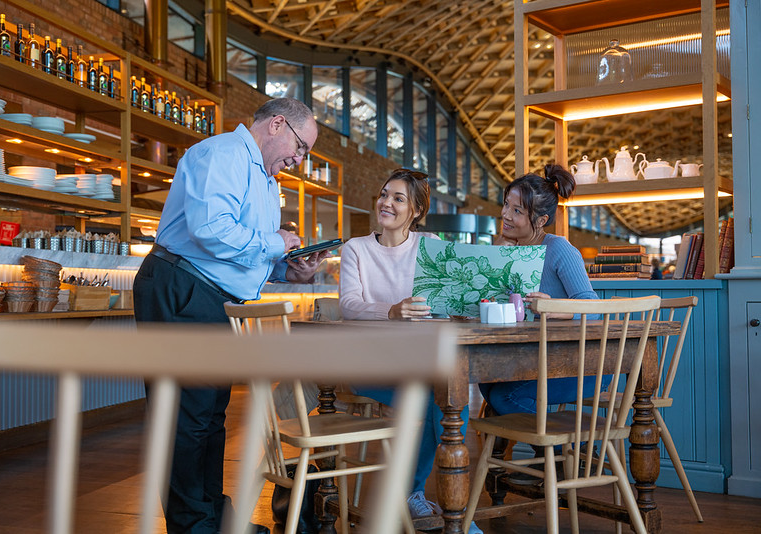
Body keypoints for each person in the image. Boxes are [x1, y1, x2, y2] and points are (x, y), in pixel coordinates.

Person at [133, 98, 329, 534]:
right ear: (277, 124)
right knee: (186, 417)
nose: (297, 160)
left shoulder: (263, 176)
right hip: (181, 286)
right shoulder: (222, 154)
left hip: (209, 293)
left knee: (209, 416)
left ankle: (212, 520)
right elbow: (212, 230)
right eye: (300, 148)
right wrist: (276, 244)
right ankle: (194, 526)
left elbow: (240, 251)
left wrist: (288, 268)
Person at [339, 168, 483, 534]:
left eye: (398, 198)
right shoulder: (355, 249)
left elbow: (448, 301)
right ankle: (416, 495)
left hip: (417, 361)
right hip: (369, 365)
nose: (386, 202)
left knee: (450, 396)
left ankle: (441, 504)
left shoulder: (429, 244)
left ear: (416, 211)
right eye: (384, 194)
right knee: (434, 398)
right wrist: (392, 309)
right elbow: (349, 305)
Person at [478, 164, 602, 482]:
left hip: (577, 367)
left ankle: (565, 451)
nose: (505, 214)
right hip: (538, 363)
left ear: (541, 220)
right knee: (487, 383)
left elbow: (593, 308)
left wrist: (552, 307)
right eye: (506, 204)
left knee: (505, 396)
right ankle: (550, 458)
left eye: (517, 210)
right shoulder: (511, 253)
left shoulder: (559, 249)